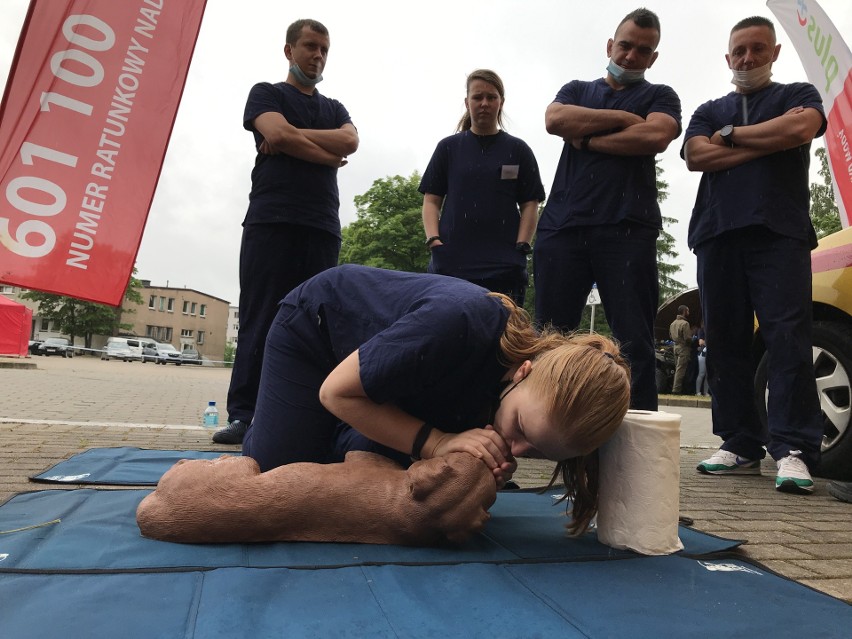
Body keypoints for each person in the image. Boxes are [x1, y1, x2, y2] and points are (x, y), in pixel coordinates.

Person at [241, 264, 632, 534]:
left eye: (536, 452)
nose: (513, 449)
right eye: (519, 429)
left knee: (383, 482)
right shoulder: (458, 321)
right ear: (523, 370)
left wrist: (467, 467)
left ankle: (339, 426)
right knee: (272, 479)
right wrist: (438, 442)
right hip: (316, 333)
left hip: (396, 384)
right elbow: (335, 391)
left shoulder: (517, 398)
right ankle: (284, 419)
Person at [683, 16, 825, 494]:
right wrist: (769, 139)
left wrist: (734, 137)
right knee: (724, 341)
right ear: (727, 57)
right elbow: (697, 155)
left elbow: (802, 127)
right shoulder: (709, 108)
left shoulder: (796, 95)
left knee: (788, 339)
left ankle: (792, 449)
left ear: (774, 52)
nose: (747, 58)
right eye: (739, 51)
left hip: (778, 233)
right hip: (717, 234)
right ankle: (740, 442)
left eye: (757, 49)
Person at [213, 19, 359, 445]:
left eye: (324, 50)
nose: (317, 56)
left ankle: (316, 416)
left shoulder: (335, 108)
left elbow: (349, 141)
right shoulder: (266, 93)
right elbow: (274, 131)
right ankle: (245, 415)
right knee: (261, 317)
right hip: (271, 222)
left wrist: (298, 140)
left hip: (321, 227)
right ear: (289, 51)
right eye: (310, 47)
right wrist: (325, 156)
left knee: (317, 324)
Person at [533, 8, 681, 411]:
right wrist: (620, 117)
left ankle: (639, 437)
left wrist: (586, 140)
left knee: (634, 340)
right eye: (626, 45)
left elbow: (656, 134)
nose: (632, 56)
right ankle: (541, 425)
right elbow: (555, 118)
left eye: (643, 50)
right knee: (549, 338)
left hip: (628, 231)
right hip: (562, 228)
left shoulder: (660, 95)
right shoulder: (577, 88)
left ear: (653, 58)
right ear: (610, 45)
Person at [419, 69, 546, 307]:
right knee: (448, 334)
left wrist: (522, 246)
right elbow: (431, 199)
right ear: (467, 102)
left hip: (504, 265)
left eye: (491, 97)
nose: (484, 103)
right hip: (451, 264)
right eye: (478, 97)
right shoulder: (448, 148)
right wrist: (433, 240)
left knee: (503, 338)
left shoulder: (518, 150)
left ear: (501, 102)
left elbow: (531, 203)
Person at [669, 305, 692, 393]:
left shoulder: (673, 323)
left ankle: (676, 388)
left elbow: (670, 336)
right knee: (681, 370)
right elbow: (687, 338)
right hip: (683, 348)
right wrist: (692, 339)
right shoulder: (685, 324)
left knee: (677, 369)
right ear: (685, 311)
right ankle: (676, 389)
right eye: (688, 311)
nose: (689, 313)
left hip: (675, 347)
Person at [694, 325, 709, 396]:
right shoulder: (701, 330)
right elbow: (701, 342)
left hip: (710, 355)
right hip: (703, 354)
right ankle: (698, 392)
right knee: (702, 373)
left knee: (708, 374)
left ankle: (705, 392)